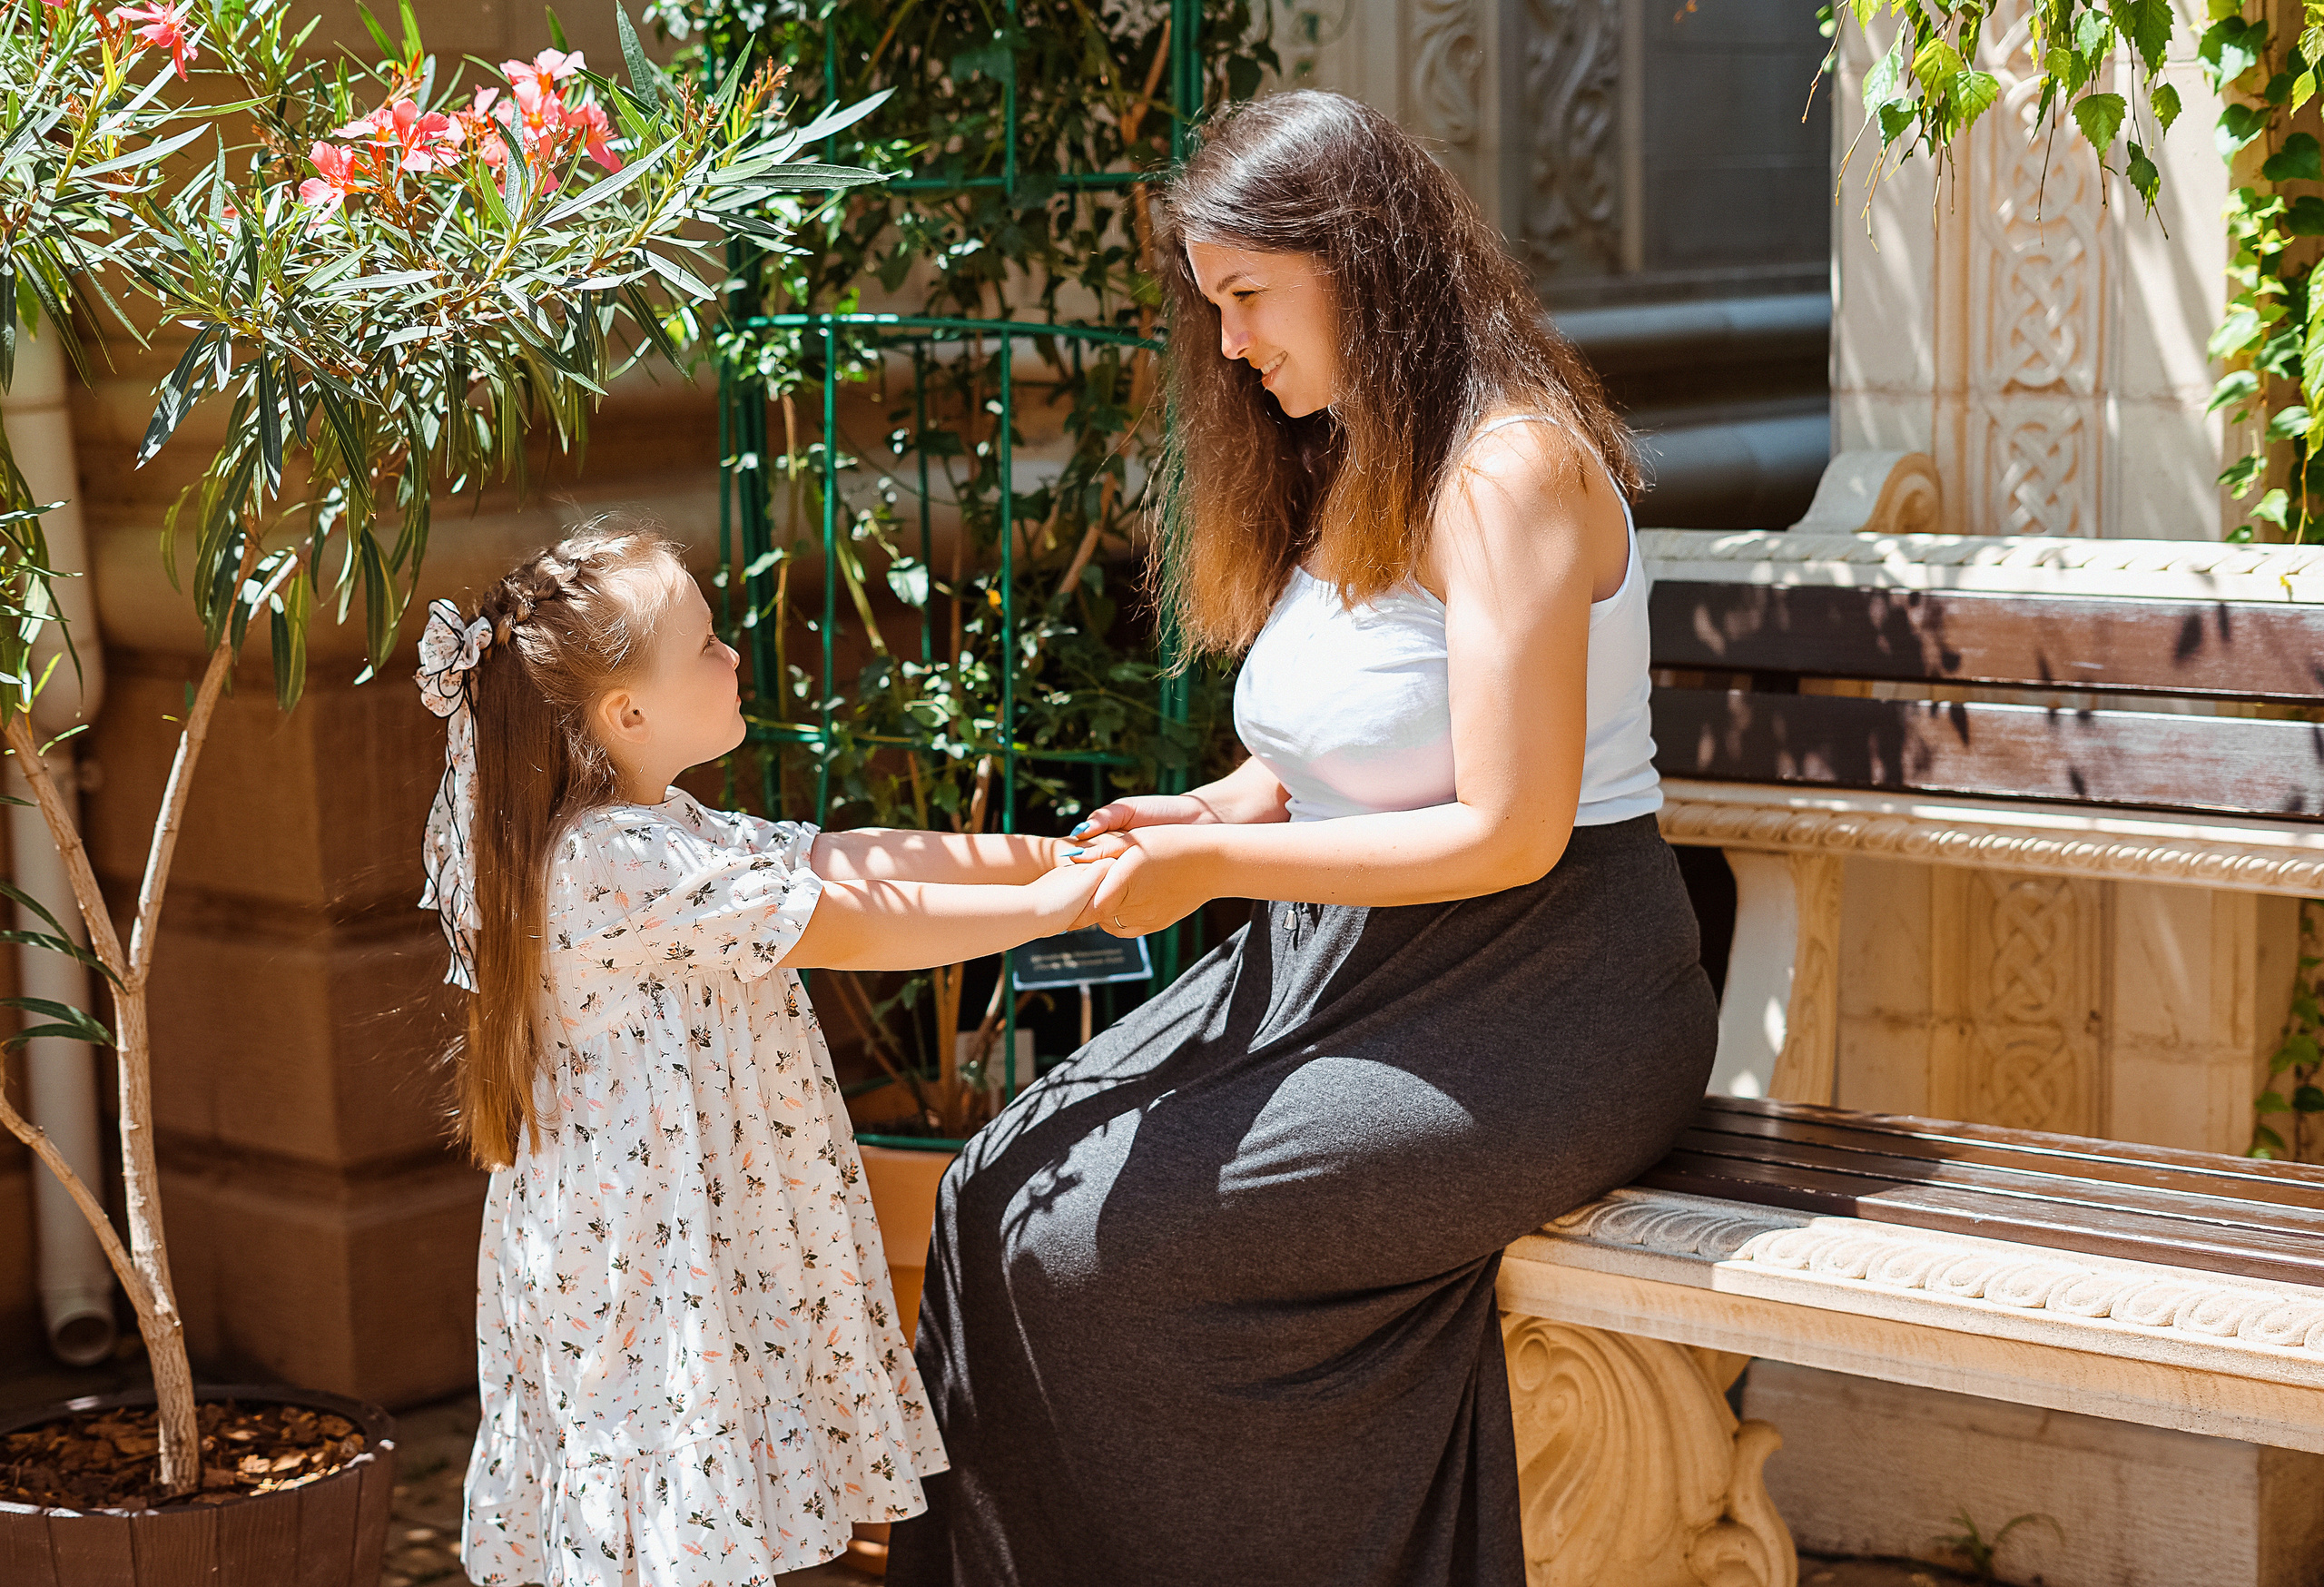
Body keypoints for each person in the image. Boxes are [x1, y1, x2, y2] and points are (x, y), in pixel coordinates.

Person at [886, 91, 1719, 1587]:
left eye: (1249, 296)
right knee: (1000, 1186)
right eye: (1214, 305)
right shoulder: (1352, 452)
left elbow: (1510, 829)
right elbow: (1340, 749)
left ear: (1360, 259)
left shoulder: (1510, 468)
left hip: (1544, 998)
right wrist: (1214, 808)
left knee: (1113, 1246)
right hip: (1343, 970)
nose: (1229, 344)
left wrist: (1213, 869)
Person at [417, 524, 1111, 1585]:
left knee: (688, 1509)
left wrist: (1063, 855)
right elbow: (852, 923)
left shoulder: (662, 824)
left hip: (683, 1230)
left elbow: (850, 859)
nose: (733, 654)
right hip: (646, 1256)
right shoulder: (609, 855)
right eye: (705, 643)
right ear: (627, 713)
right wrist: (1068, 902)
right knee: (659, 1504)